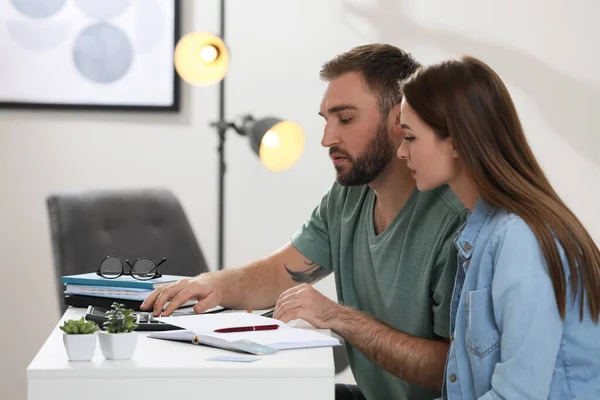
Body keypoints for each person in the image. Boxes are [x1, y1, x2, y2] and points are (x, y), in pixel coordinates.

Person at [141, 44, 468, 400]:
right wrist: (212, 284)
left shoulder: (455, 221)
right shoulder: (349, 195)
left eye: (345, 119)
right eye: (325, 121)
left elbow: (451, 370)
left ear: (398, 118)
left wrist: (339, 317)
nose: (327, 139)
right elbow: (279, 272)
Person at [397, 55, 600, 399]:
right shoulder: (488, 232)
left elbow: (518, 395)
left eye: (410, 137)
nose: (402, 152)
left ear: (457, 142)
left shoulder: (519, 239)